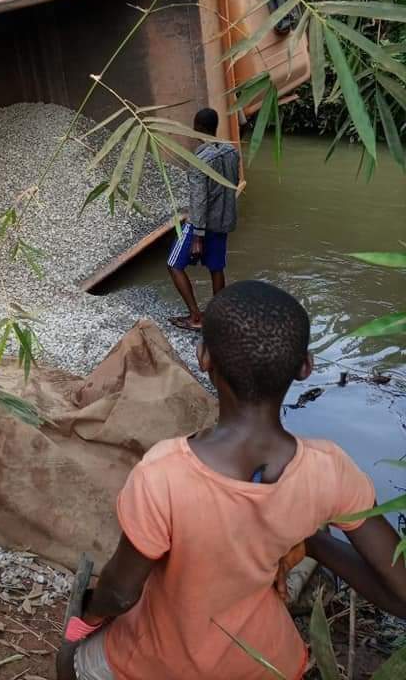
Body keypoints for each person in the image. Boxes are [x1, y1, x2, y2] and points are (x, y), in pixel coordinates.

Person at [57, 281, 406, 680]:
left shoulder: (163, 472)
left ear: (203, 356)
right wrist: (313, 543)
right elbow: (401, 593)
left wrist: (89, 617)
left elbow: (120, 593)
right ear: (305, 366)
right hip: (266, 664)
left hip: (157, 663)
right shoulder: (331, 469)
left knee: (71, 660)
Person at [168, 106, 239, 331]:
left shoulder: (200, 160)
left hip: (202, 224)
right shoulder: (231, 151)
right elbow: (233, 183)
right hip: (223, 221)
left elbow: (199, 200)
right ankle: (218, 317)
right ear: (215, 126)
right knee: (216, 268)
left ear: (197, 127)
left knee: (173, 265)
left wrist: (197, 237)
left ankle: (196, 317)